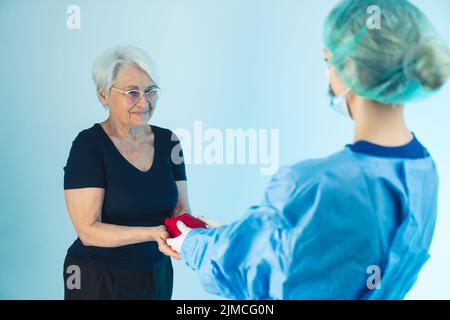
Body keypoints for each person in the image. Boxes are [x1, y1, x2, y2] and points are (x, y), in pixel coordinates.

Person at [166, 0, 450, 299]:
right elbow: (313, 253)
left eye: (328, 61)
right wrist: (243, 234)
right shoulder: (424, 170)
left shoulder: (319, 184)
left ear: (350, 67)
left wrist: (192, 244)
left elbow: (259, 272)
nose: (329, 73)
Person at [63, 46, 187, 299]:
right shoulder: (89, 145)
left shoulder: (169, 141)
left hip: (156, 274)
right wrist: (151, 233)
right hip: (99, 278)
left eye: (151, 91)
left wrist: (196, 231)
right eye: (132, 92)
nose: (144, 102)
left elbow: (180, 210)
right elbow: (88, 231)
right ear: (103, 95)